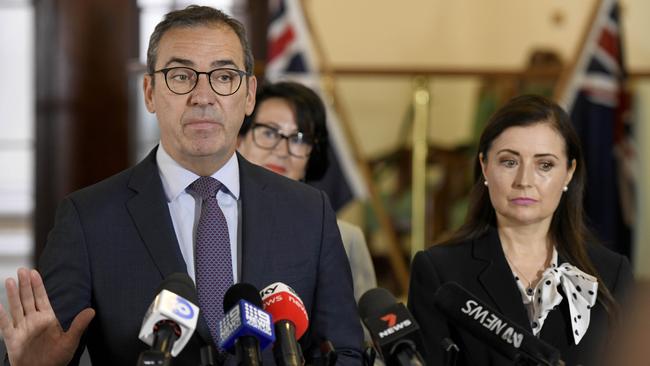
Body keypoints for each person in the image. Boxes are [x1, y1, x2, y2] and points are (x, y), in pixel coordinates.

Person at [0, 6, 363, 366]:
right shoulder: (88, 220)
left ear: (249, 94)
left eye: (223, 77)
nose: (202, 96)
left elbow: (344, 352)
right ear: (150, 92)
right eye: (181, 75)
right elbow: (44, 349)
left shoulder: (308, 212)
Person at [407, 95, 633, 366]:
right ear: (485, 166)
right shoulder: (439, 270)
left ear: (569, 173)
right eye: (509, 162)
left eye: (545, 165)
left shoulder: (612, 273)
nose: (524, 181)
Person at [236, 81, 377, 303]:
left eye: (298, 139)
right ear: (239, 139)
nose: (282, 150)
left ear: (312, 154)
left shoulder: (346, 239)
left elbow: (360, 334)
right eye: (269, 133)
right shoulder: (212, 224)